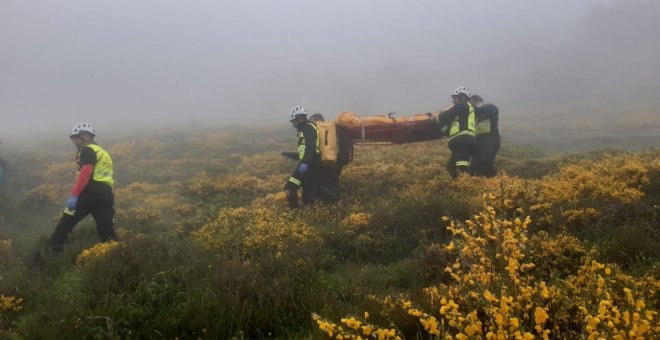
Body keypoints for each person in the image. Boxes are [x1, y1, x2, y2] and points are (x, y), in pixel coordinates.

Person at [47, 123, 118, 252]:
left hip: (89, 194)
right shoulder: (102, 152)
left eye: (76, 137)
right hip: (106, 196)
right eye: (73, 138)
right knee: (106, 231)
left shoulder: (87, 149)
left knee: (65, 224)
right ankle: (122, 255)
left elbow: (86, 172)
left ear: (86, 136)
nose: (74, 141)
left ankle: (52, 256)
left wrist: (74, 196)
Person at [432, 87, 476, 179]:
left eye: (456, 97)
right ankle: (458, 185)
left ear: (463, 97)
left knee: (461, 165)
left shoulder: (463, 105)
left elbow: (447, 114)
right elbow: (450, 121)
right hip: (462, 139)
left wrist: (435, 118)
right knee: (451, 167)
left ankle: (467, 185)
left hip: (463, 139)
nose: (454, 100)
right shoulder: (463, 110)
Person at [281, 106, 320, 209]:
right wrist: (289, 154)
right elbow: (305, 152)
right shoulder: (306, 129)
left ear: (299, 118)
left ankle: (294, 210)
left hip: (310, 165)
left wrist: (305, 163)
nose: (293, 125)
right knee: (307, 193)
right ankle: (307, 214)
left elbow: (311, 147)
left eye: (293, 121)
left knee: (290, 187)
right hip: (312, 165)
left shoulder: (308, 128)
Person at [470, 95, 500, 177]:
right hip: (479, 140)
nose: (474, 103)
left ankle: (493, 181)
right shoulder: (476, 112)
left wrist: (474, 106)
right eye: (473, 100)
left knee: (486, 161)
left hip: (490, 139)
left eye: (476, 100)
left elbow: (492, 111)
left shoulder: (490, 108)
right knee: (474, 165)